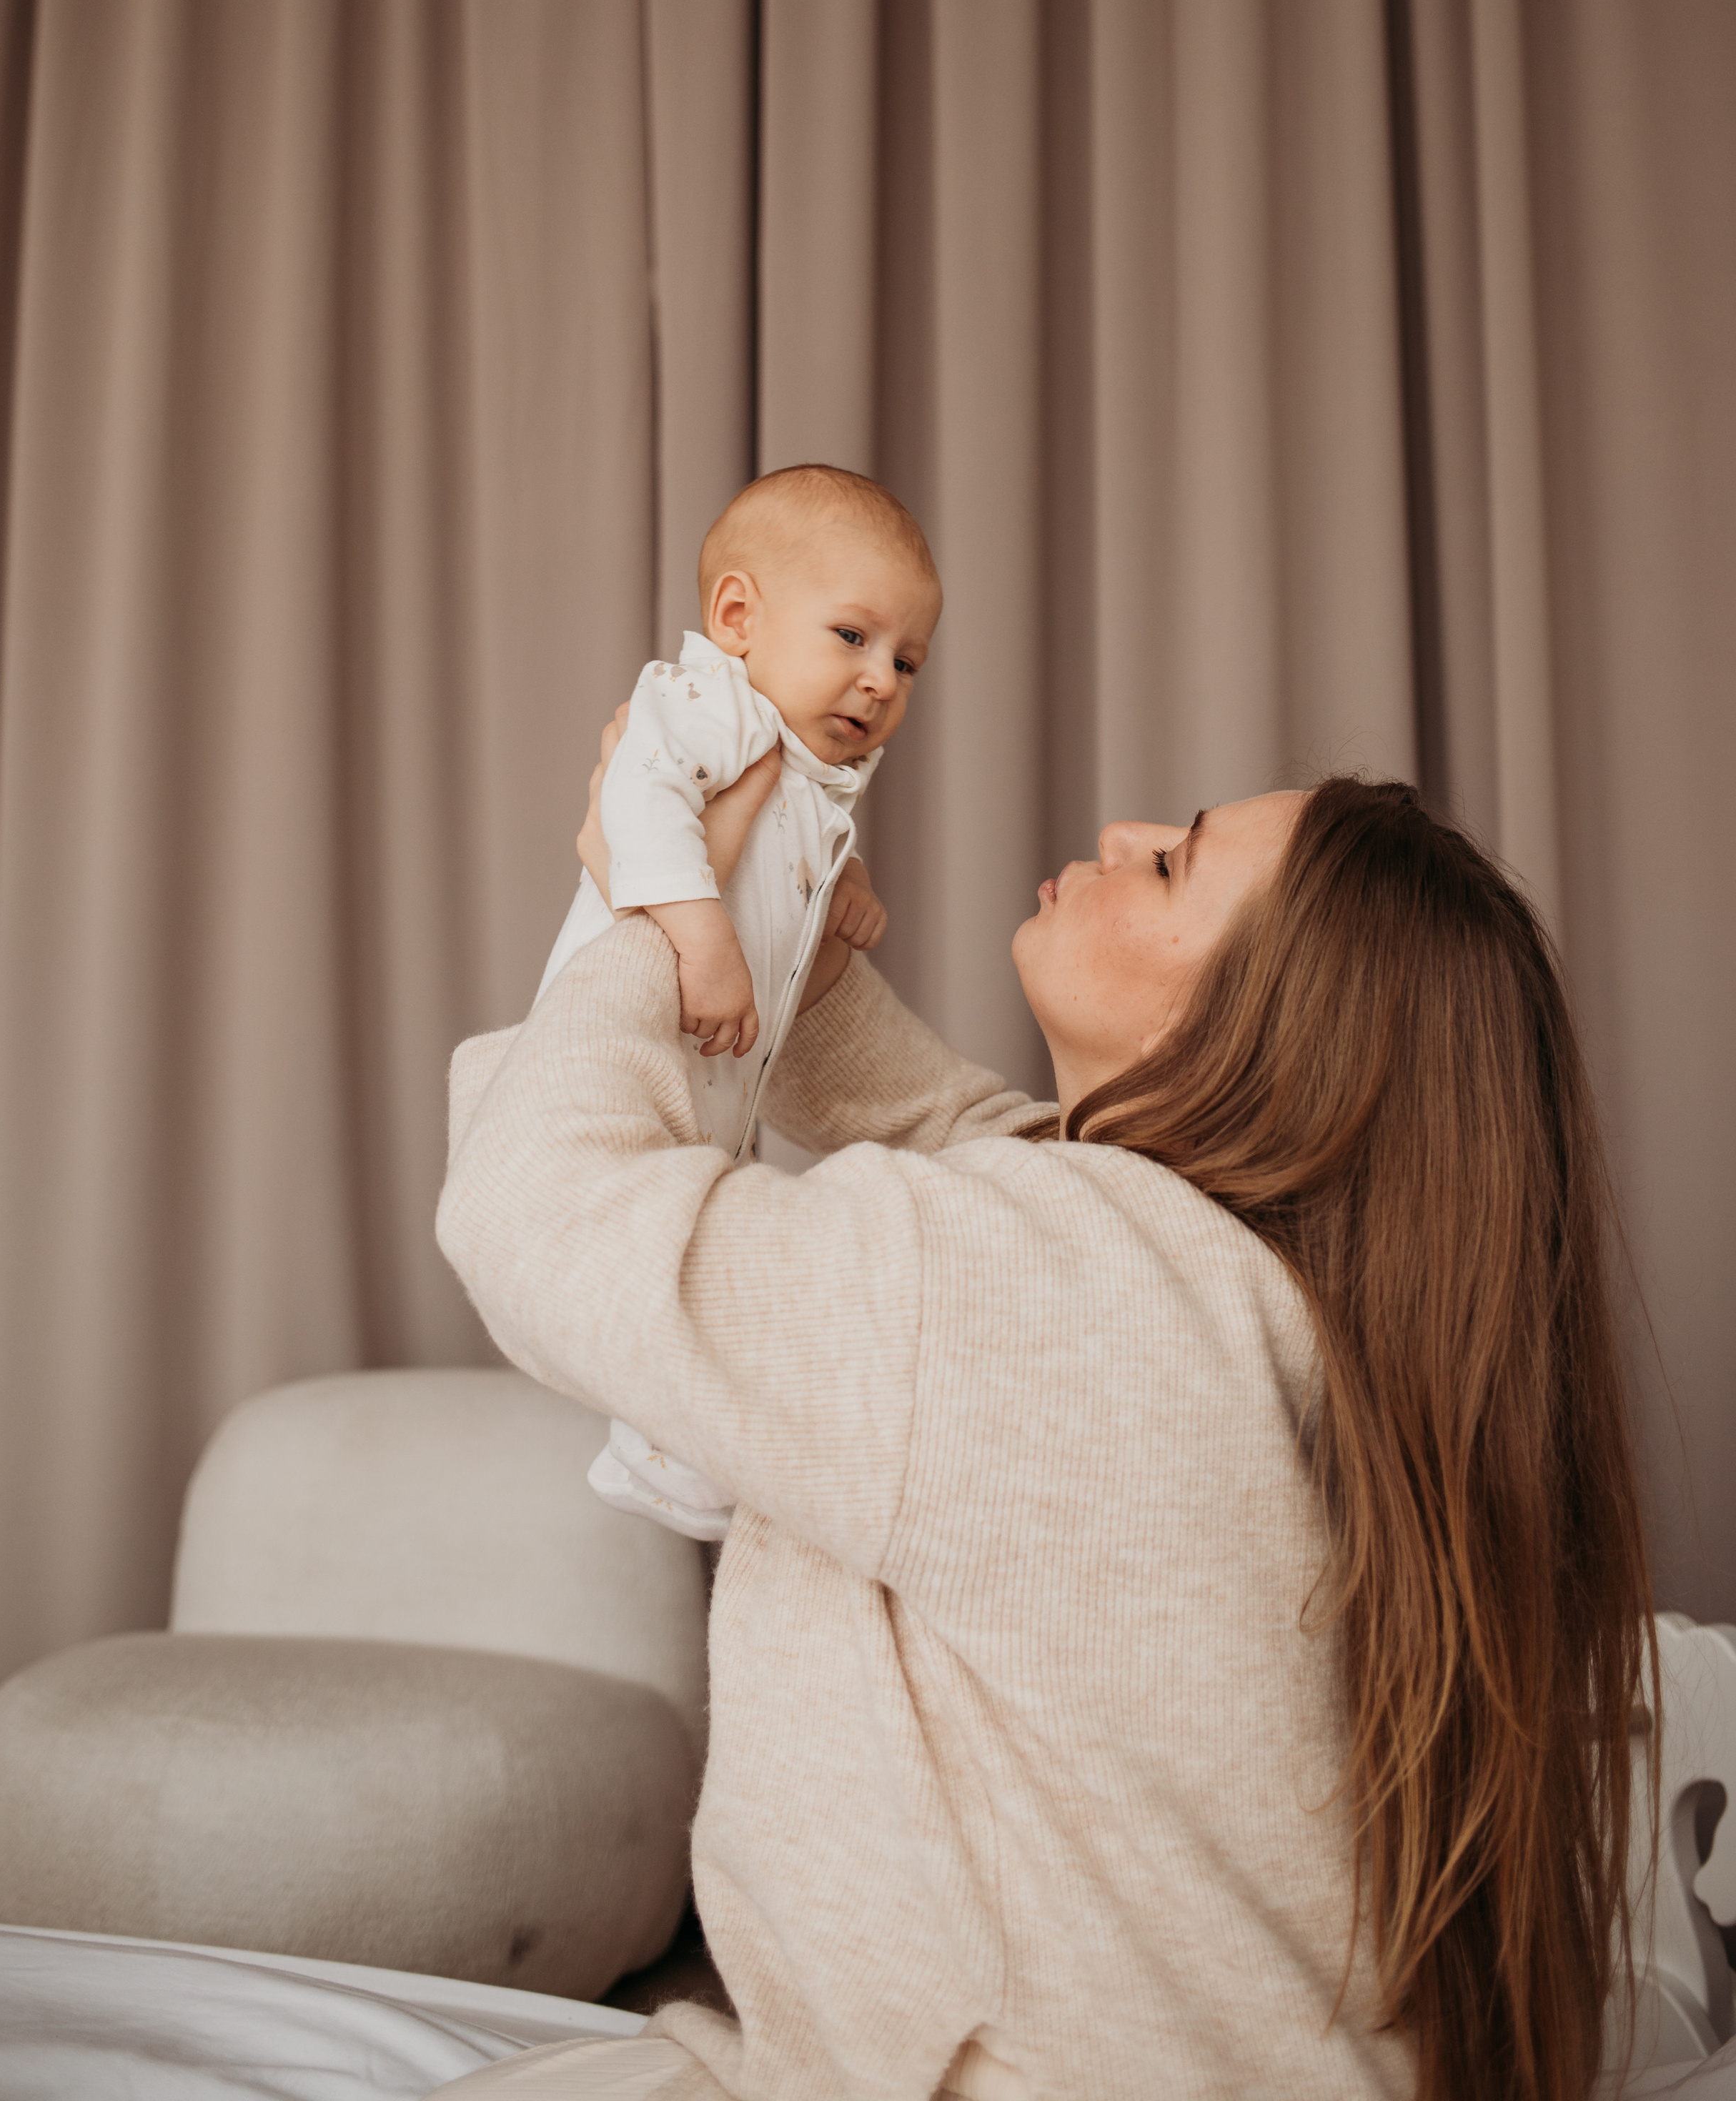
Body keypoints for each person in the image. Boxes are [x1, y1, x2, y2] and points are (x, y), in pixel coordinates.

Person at [437, 758, 1654, 2101]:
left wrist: (651, 902)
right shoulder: (1245, 1303)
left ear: (1260, 1034)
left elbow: (537, 1210)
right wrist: (782, 941)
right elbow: (972, 1136)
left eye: (1177, 862)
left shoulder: (1054, 1294)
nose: (1126, 831)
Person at [533, 465, 942, 1535]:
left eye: (907, 660)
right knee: (637, 1225)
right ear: (737, 617)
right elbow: (640, 802)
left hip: (727, 1063)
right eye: (853, 638)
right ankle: (665, 1450)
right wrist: (702, 939)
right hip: (645, 1028)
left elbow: (792, 838)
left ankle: (679, 1450)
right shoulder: (709, 700)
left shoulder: (811, 759)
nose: (883, 681)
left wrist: (841, 886)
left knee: (701, 1226)